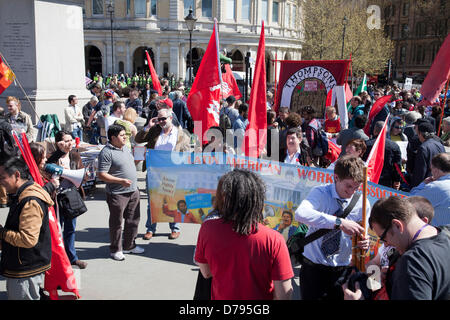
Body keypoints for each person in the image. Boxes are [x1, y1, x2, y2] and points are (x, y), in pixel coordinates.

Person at [194, 169, 294, 300]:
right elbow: (284, 295)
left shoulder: (207, 228)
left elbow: (206, 273)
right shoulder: (274, 240)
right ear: (257, 199)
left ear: (225, 198)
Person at [294, 155, 370, 300]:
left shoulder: (362, 203)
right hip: (314, 268)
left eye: (357, 187)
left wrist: (364, 243)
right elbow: (301, 214)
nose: (352, 191)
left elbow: (362, 236)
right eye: (348, 186)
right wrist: (338, 223)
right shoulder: (321, 193)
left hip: (342, 271)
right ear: (336, 177)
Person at [345, 196, 450, 300]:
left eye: (383, 238)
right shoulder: (446, 234)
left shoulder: (412, 262)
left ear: (397, 225)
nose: (385, 245)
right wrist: (381, 281)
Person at [0, 157, 53, 300]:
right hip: (24, 263)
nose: (0, 182)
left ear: (17, 175)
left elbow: (28, 239)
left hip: (26, 267)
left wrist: (2, 233)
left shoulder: (30, 200)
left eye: (2, 178)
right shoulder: (22, 193)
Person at [135, 108, 190, 241]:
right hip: (154, 172)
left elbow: (186, 154)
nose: (160, 121)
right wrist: (148, 126)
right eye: (158, 119)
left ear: (170, 118)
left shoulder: (181, 135)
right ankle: (150, 229)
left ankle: (174, 228)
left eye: (163, 119)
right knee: (152, 202)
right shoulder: (154, 130)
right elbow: (138, 139)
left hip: (172, 172)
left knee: (172, 201)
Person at [97, 124, 144, 261]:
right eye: (122, 135)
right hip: (117, 193)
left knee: (133, 220)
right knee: (117, 223)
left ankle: (129, 245)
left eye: (126, 135)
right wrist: (120, 181)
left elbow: (130, 164)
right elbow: (101, 174)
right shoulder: (106, 152)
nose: (125, 138)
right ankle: (115, 249)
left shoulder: (125, 148)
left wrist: (138, 159)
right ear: (113, 137)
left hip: (133, 191)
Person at [47, 130, 88, 269]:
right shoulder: (52, 158)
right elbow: (45, 170)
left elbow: (82, 176)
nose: (69, 143)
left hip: (71, 197)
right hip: (56, 198)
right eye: (65, 141)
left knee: (70, 229)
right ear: (59, 143)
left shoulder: (75, 156)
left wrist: (75, 174)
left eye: (71, 140)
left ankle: (72, 258)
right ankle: (58, 259)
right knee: (57, 229)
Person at [410, 153, 450, 226]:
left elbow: (412, 200)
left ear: (436, 170)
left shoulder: (436, 187)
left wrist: (423, 184)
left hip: (439, 234)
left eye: (431, 169)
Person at [363, 121, 402, 190]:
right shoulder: (394, 146)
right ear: (386, 131)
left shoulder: (366, 145)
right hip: (386, 181)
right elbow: (397, 166)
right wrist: (397, 180)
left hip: (369, 179)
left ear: (375, 131)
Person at [410, 121, 445, 187]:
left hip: (426, 184)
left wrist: (415, 188)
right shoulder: (440, 145)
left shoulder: (423, 148)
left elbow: (420, 171)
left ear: (420, 134)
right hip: (438, 181)